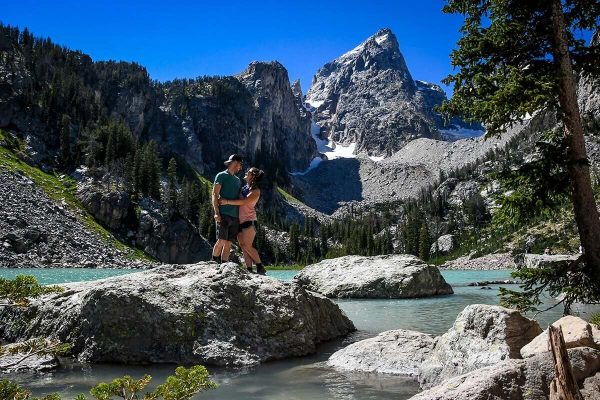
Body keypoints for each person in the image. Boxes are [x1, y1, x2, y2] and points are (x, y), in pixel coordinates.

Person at [220, 167, 265, 274]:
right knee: (243, 247)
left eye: (248, 172)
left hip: (249, 220)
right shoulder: (245, 187)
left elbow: (244, 202)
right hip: (239, 220)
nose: (246, 172)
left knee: (247, 245)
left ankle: (260, 266)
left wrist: (226, 202)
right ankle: (249, 269)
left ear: (253, 176)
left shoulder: (256, 190)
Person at [211, 154, 242, 263]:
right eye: (239, 164)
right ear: (234, 162)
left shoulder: (238, 180)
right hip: (223, 213)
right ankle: (214, 262)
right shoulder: (221, 175)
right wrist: (216, 213)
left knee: (228, 242)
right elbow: (215, 194)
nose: (240, 167)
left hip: (235, 216)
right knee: (221, 240)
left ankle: (224, 264)